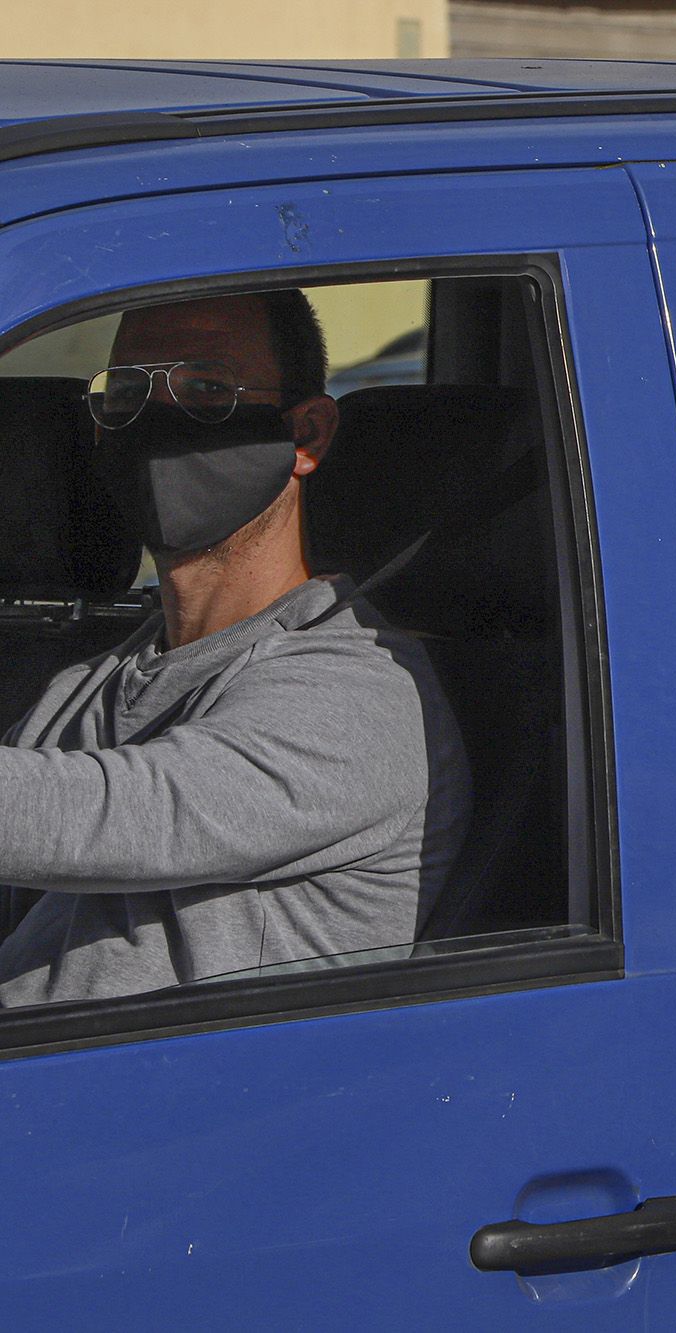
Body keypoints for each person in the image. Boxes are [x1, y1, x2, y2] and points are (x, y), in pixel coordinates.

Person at [0, 290, 470, 1007]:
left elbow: (107, 814)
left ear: (306, 434)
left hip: (187, 1110)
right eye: (128, 392)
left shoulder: (360, 692)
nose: (157, 423)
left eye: (209, 390)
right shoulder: (91, 681)